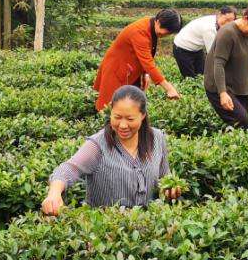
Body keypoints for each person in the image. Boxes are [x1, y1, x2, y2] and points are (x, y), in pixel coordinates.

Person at [42, 85, 181, 215]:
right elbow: (69, 168)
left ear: (143, 116)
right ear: (111, 112)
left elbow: (165, 176)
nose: (123, 125)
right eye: (117, 117)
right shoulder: (98, 145)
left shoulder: (157, 138)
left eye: (130, 119)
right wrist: (54, 193)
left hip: (147, 226)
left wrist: (170, 189)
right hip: (106, 229)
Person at [93, 9, 182, 112]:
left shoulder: (150, 25)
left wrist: (145, 74)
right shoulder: (140, 31)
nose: (164, 35)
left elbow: (146, 55)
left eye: (168, 33)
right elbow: (148, 62)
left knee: (132, 107)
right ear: (158, 21)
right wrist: (169, 88)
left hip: (129, 70)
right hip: (116, 70)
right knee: (110, 108)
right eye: (164, 32)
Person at [203, 4, 248, 128]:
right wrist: (222, 93)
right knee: (241, 120)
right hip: (219, 86)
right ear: (246, 18)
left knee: (242, 123)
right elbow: (218, 64)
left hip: (239, 86)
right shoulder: (227, 33)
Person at [172, 6, 237, 77]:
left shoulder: (217, 21)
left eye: (231, 21)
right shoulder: (209, 28)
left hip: (196, 48)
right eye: (227, 19)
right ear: (220, 14)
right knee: (190, 77)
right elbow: (213, 53)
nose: (228, 23)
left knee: (202, 74)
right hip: (182, 48)